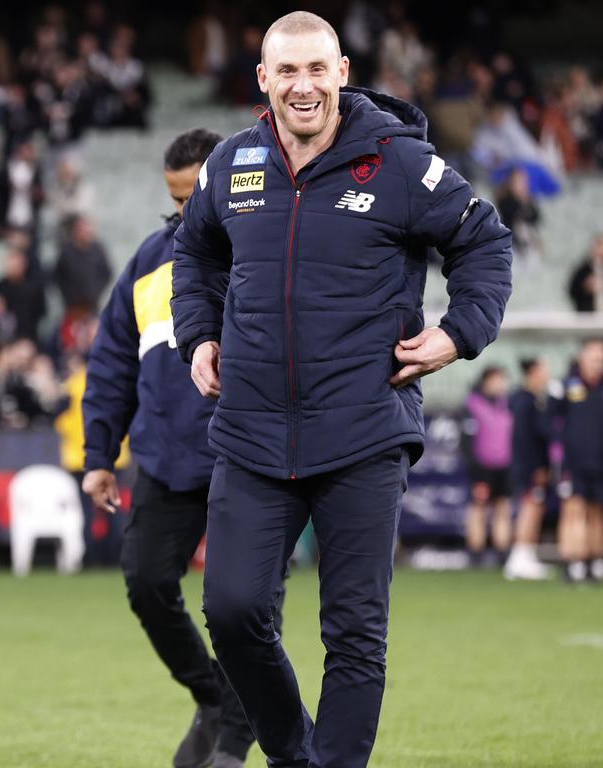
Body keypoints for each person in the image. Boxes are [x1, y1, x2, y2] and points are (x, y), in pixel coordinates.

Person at [171, 12, 511, 768]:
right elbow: (192, 254)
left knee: (354, 633)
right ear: (263, 79)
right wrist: (198, 335)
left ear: (343, 72)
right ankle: (298, 757)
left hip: (363, 428)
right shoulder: (231, 163)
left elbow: (484, 239)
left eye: (317, 69)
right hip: (253, 430)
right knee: (230, 613)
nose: (303, 86)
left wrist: (459, 333)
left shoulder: (399, 162)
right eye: (286, 71)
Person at [82, 128, 265, 768]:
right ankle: (212, 695)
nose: (185, 210)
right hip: (166, 454)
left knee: (240, 603)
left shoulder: (265, 244)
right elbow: (109, 363)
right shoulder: (149, 260)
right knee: (146, 582)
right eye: (174, 198)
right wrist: (100, 455)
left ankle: (236, 737)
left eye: (195, 195)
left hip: (249, 455)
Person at [556, 339, 603, 583]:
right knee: (573, 512)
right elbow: (551, 425)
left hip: (600, 463)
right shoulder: (567, 387)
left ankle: (595, 562)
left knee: (597, 514)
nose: (598, 363)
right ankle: (573, 563)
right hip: (573, 464)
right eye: (594, 358)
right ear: (582, 359)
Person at [504, 357, 553, 581]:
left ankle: (527, 555)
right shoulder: (526, 403)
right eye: (544, 370)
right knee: (529, 509)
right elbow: (525, 441)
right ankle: (519, 558)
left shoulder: (532, 400)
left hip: (531, 465)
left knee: (535, 509)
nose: (547, 375)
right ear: (533, 372)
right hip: (529, 467)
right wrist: (537, 467)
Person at [463, 366, 514, 568]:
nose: (500, 385)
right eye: (496, 380)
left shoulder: (507, 405)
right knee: (478, 510)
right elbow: (466, 441)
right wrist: (475, 470)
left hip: (504, 466)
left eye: (502, 380)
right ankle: (475, 556)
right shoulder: (472, 405)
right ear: (485, 381)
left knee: (503, 509)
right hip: (481, 467)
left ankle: (503, 555)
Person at [568, 233, 603, 313]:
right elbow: (572, 291)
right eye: (599, 245)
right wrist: (585, 286)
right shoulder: (583, 269)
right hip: (588, 315)